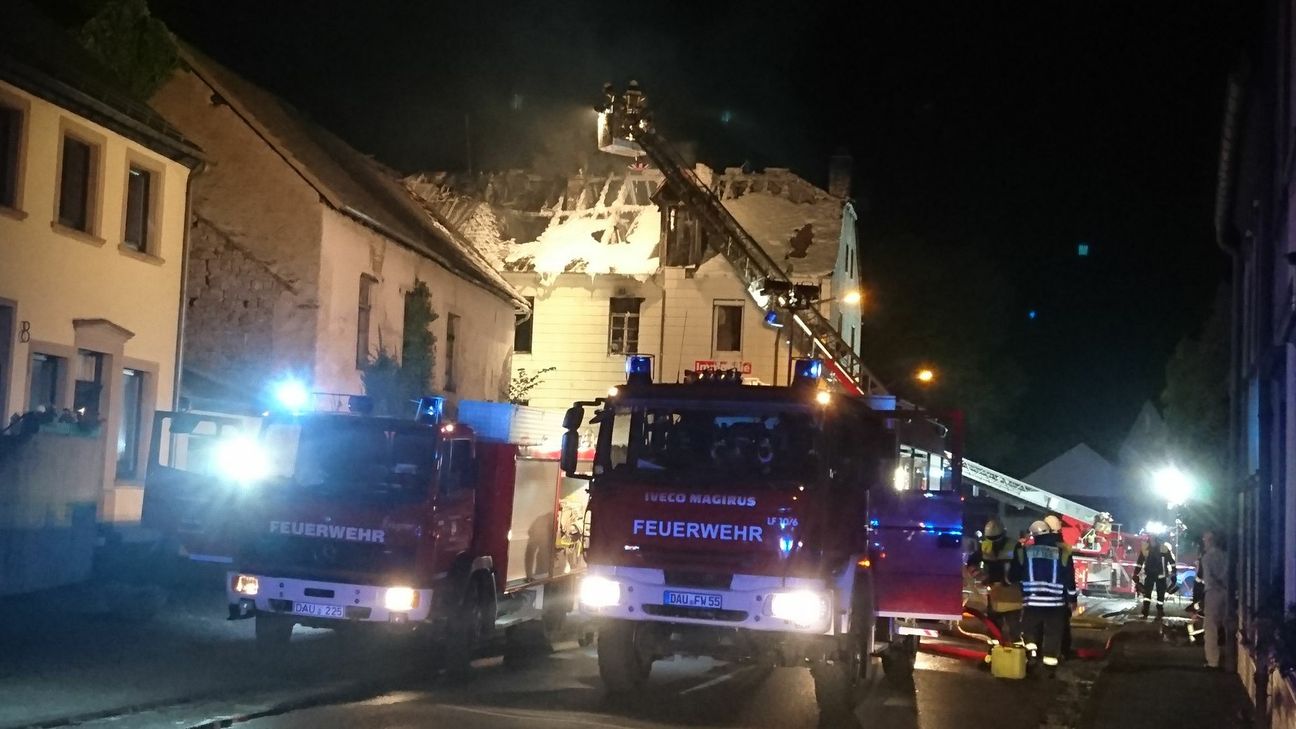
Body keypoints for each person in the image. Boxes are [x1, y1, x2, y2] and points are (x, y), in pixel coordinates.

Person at [1011, 520, 1077, 670]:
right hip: (1056, 604)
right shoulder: (1062, 552)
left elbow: (1014, 575)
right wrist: (1072, 599)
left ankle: (1032, 656)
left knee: (1030, 631)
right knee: (1053, 634)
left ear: (1034, 535)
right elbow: (1069, 579)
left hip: (1032, 602)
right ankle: (1050, 665)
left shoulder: (1024, 552)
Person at [966, 518, 1022, 648]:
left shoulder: (1015, 546)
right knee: (993, 625)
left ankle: (1017, 652)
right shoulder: (985, 546)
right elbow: (972, 562)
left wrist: (1008, 580)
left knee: (1013, 625)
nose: (994, 543)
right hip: (995, 590)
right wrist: (979, 575)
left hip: (1011, 590)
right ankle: (994, 651)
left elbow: (1021, 567)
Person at [1198, 530, 1230, 669]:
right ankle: (1230, 658)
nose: (1204, 543)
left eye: (1205, 540)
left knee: (1210, 627)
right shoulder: (1225, 556)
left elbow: (1208, 578)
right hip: (1227, 592)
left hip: (1212, 592)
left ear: (1210, 541)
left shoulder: (1207, 558)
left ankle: (1213, 661)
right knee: (1227, 624)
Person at [1134, 533, 1177, 620]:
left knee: (1160, 595)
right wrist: (1135, 573)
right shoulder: (1145, 548)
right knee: (1147, 594)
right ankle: (1145, 612)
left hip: (1160, 575)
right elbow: (1140, 562)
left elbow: (1171, 561)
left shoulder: (1162, 547)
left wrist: (1174, 572)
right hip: (1150, 574)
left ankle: (1159, 612)